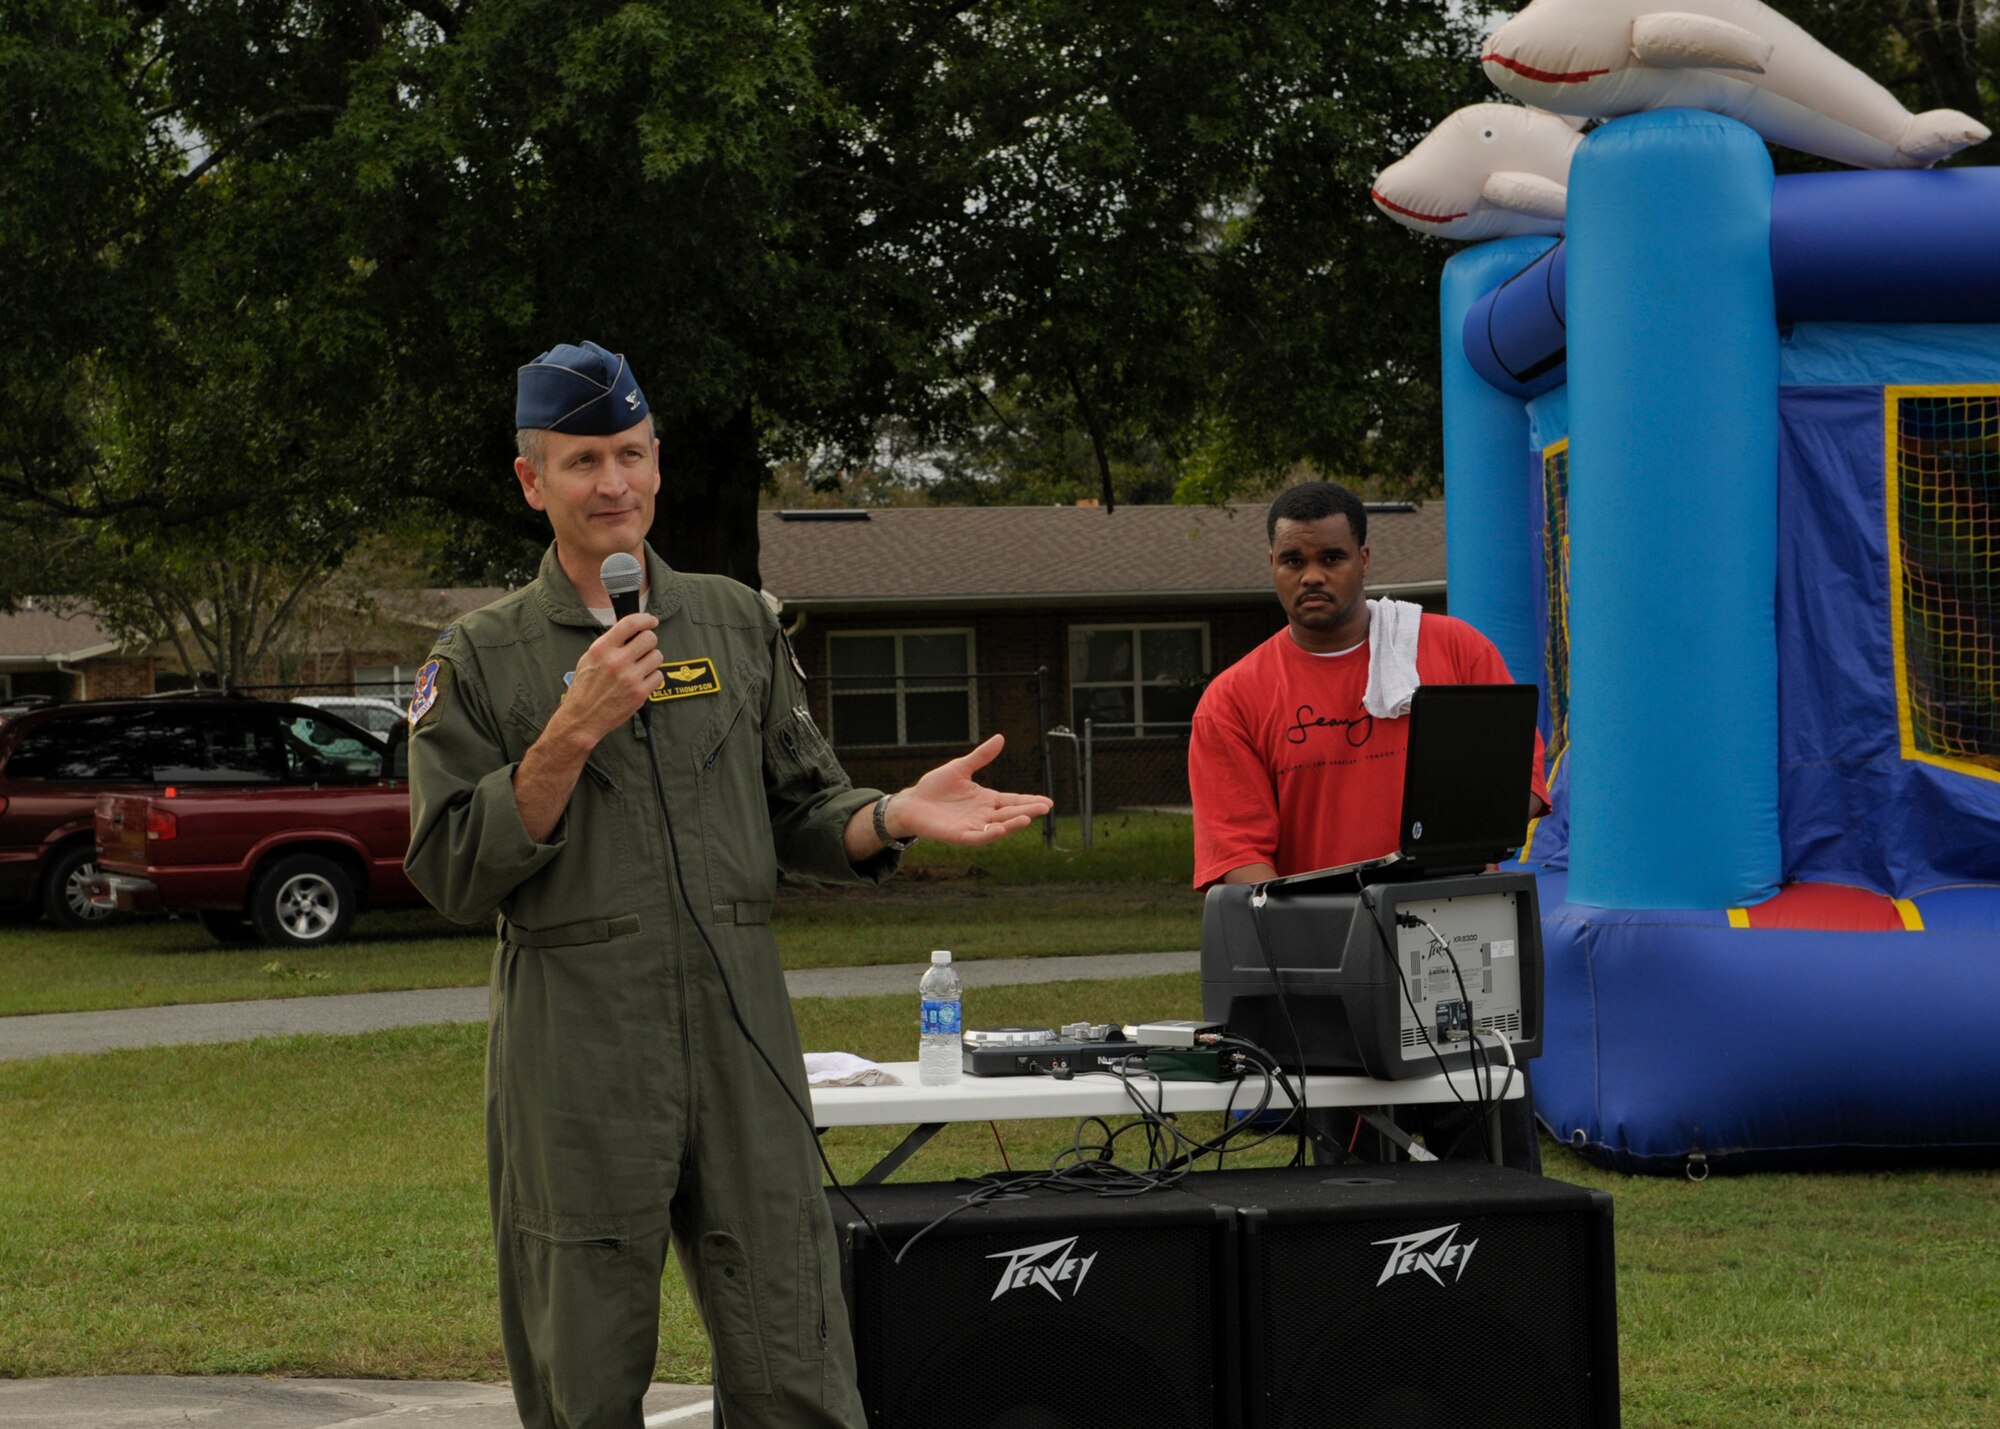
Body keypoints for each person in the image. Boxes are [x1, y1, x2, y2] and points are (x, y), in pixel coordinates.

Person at [404, 340, 1052, 1429]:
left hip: (741, 1025)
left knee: (790, 1336)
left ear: (658, 462)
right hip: (578, 1042)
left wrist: (889, 814)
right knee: (585, 1356)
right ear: (531, 482)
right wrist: (571, 726)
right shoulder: (479, 657)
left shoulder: (736, 621)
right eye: (579, 461)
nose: (610, 482)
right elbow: (454, 869)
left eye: (628, 453)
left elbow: (801, 811)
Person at [1188, 480, 1549, 1169]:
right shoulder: (1234, 699)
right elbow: (1243, 863)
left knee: (1499, 1192)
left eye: (1332, 556)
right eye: (1294, 560)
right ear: (1272, 564)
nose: (1313, 575)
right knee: (1355, 1215)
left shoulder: (1451, 652)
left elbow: (1519, 791)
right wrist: (1311, 963)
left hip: (1461, 963)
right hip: (1335, 987)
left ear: (1366, 558)